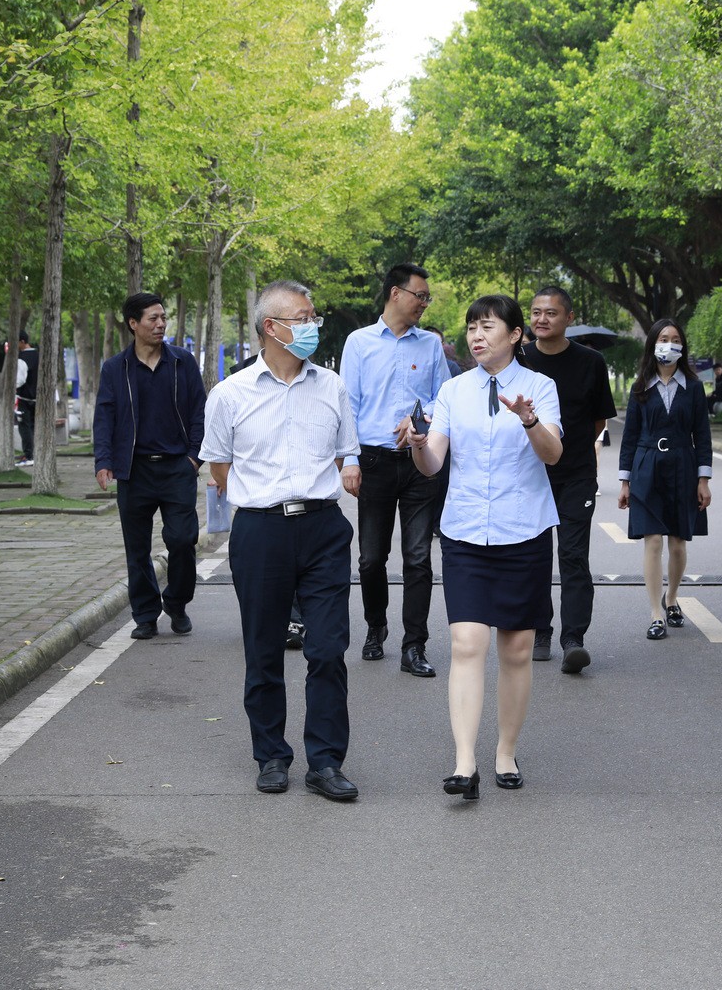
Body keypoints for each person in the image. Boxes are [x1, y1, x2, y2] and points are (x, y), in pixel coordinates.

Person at [200, 280, 361, 802]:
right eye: (303, 317)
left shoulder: (332, 386)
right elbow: (219, 469)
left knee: (328, 648)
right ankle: (271, 754)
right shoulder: (230, 395)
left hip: (323, 527)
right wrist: (265, 501)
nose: (313, 325)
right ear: (272, 327)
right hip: (261, 531)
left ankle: (325, 761)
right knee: (264, 649)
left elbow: (346, 453)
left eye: (315, 316)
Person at [408, 294, 562, 799]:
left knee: (516, 650)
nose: (477, 336)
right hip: (466, 531)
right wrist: (416, 444)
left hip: (524, 531)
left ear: (516, 335)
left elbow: (554, 454)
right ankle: (464, 763)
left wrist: (529, 420)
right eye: (472, 328)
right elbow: (433, 463)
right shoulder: (453, 391)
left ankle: (505, 752)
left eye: (488, 327)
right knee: (466, 644)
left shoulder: (540, 387)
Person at [338, 263, 450, 678]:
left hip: (420, 461)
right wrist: (349, 460)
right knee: (370, 559)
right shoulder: (359, 342)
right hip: (374, 461)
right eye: (419, 295)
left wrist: (421, 416)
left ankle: (414, 644)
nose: (424, 303)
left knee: (418, 558)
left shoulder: (431, 345)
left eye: (426, 297)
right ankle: (375, 625)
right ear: (395, 293)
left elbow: (445, 397)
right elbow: (347, 404)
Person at [92, 293, 206, 639]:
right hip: (134, 471)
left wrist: (193, 457)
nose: (160, 324)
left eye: (163, 317)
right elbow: (104, 417)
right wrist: (104, 461)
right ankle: (145, 614)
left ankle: (177, 601)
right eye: (152, 319)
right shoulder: (115, 369)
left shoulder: (182, 362)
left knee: (183, 539)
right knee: (137, 548)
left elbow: (200, 411)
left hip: (177, 468)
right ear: (133, 324)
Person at [522, 285, 616, 673]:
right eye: (536, 312)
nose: (542, 319)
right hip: (528, 473)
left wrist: (573, 449)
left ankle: (573, 638)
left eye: (551, 313)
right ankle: (539, 630)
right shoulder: (520, 358)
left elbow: (597, 420)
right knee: (535, 556)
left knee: (573, 556)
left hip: (576, 473)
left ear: (568, 319)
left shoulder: (590, 362)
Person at [618, 319, 713, 640]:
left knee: (677, 542)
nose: (668, 344)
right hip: (647, 468)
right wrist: (625, 481)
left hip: (683, 469)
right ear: (653, 344)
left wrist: (704, 479)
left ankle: (671, 598)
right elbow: (629, 436)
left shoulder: (694, 387)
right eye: (663, 338)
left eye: (674, 339)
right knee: (653, 540)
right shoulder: (641, 386)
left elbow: (702, 434)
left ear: (682, 346)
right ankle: (655, 613)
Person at [14, 330, 39, 467]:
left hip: (24, 398)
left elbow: (19, 380)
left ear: (22, 342)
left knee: (24, 427)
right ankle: (35, 454)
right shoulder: (39, 355)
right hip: (38, 399)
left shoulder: (22, 358)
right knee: (34, 427)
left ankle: (29, 455)